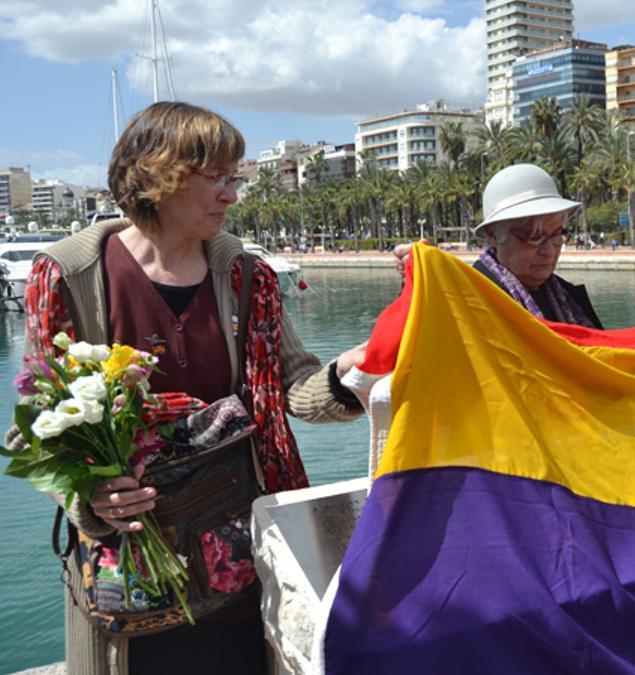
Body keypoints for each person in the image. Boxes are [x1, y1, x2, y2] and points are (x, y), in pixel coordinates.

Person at [12, 101, 367, 675]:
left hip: (238, 556)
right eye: (217, 178)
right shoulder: (71, 276)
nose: (232, 195)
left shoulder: (246, 276)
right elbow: (39, 425)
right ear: (157, 175)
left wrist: (351, 374)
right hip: (130, 566)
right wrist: (89, 498)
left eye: (236, 178)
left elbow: (293, 387)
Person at [394, 163, 602, 329]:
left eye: (557, 234)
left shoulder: (568, 297)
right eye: (534, 236)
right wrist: (419, 284)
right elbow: (420, 335)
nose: (549, 251)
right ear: (493, 234)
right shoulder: (466, 301)